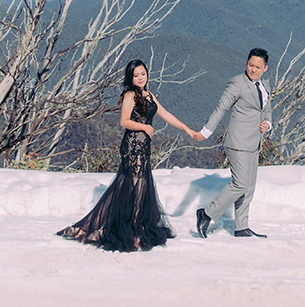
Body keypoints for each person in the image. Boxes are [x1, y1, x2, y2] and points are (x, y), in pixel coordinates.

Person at [57, 59, 203, 251]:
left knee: (136, 186)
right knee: (136, 186)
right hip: (133, 145)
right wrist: (145, 127)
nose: (140, 78)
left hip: (144, 146)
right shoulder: (130, 95)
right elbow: (124, 121)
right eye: (136, 75)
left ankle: (133, 226)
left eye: (143, 73)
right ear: (130, 78)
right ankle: (129, 228)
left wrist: (187, 129)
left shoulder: (148, 95)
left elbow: (165, 113)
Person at [196, 48, 273, 239]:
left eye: (258, 67)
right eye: (250, 65)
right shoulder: (237, 83)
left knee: (249, 187)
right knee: (240, 184)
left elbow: (267, 109)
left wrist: (268, 123)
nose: (253, 69)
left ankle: (241, 227)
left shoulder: (265, 85)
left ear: (265, 68)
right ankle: (206, 215)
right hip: (237, 141)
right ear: (246, 63)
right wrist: (206, 132)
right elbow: (221, 107)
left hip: (255, 142)